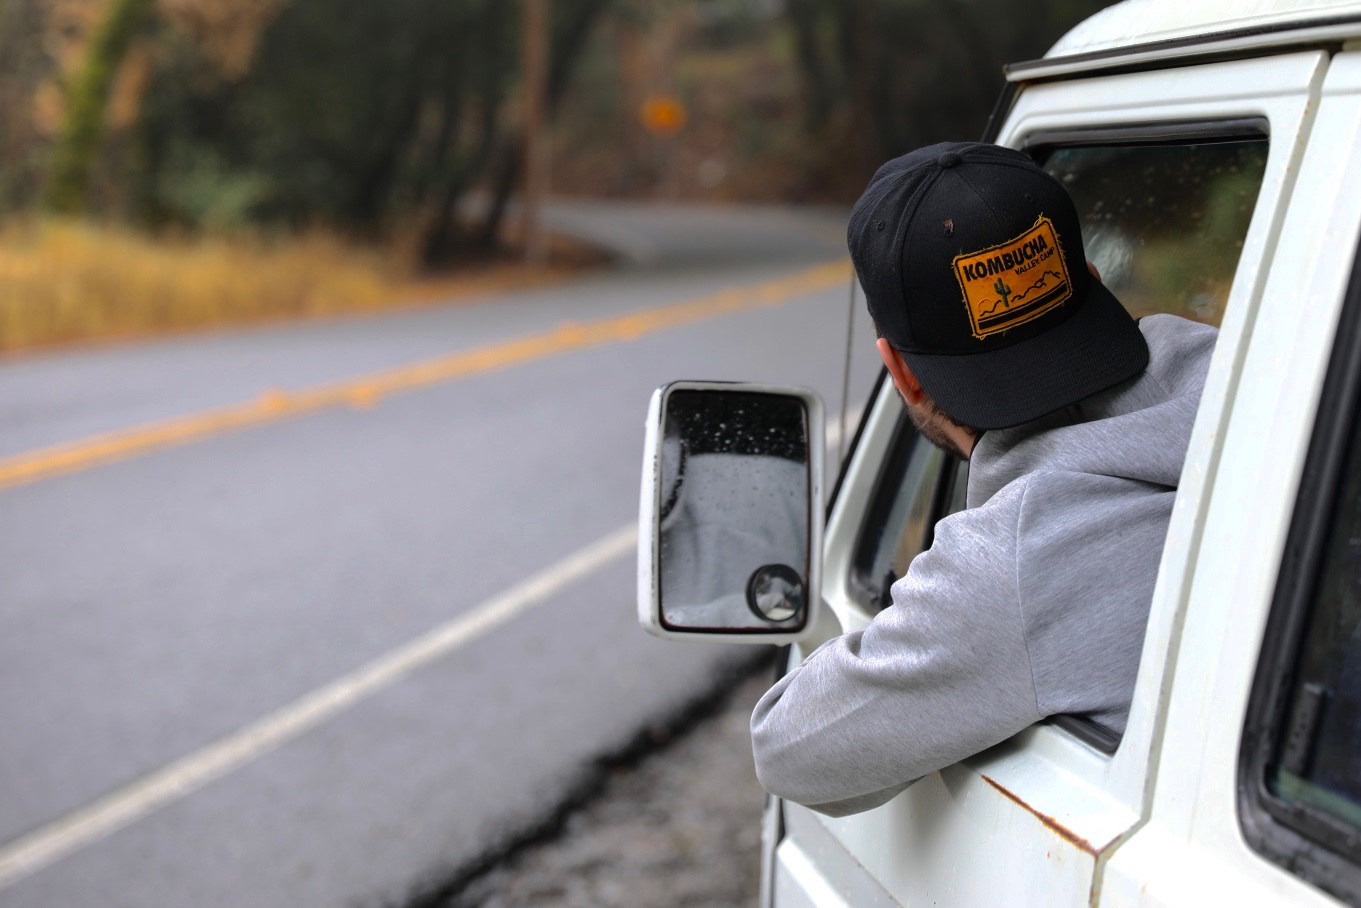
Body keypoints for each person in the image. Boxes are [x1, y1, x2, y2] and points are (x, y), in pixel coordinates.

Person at [749, 141, 1218, 817]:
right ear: (1088, 278)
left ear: (899, 370)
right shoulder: (1254, 375)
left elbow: (788, 751)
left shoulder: (1011, 562)